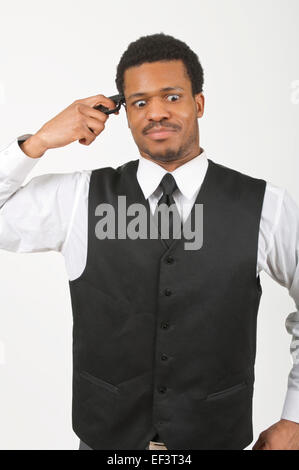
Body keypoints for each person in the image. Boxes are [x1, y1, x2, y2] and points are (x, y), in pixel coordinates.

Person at [1, 32, 299, 450]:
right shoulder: (79, 199)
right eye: (139, 102)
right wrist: (38, 143)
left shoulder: (266, 204)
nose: (156, 112)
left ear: (198, 103)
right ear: (124, 112)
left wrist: (295, 416)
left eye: (172, 97)